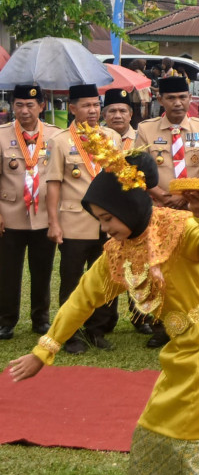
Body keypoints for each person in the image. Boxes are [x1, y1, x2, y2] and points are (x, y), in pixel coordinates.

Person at [8, 137, 199, 475]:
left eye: (108, 218)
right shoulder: (115, 254)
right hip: (183, 347)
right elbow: (80, 301)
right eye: (99, 219)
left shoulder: (178, 226)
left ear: (129, 207)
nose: (105, 227)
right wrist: (43, 351)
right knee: (158, 432)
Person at [46, 84, 123, 353]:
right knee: (72, 280)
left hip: (109, 224)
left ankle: (97, 330)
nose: (92, 110)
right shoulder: (60, 141)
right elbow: (53, 183)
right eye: (86, 105)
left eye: (95, 104)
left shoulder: (112, 137)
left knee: (107, 278)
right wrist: (53, 223)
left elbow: (119, 178)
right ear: (72, 109)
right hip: (74, 222)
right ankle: (71, 333)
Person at [0, 86, 61, 341]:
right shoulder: (2, 135)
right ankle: (6, 321)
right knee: (7, 272)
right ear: (12, 106)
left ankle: (41, 319)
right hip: (10, 213)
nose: (24, 111)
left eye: (30, 105)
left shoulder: (56, 136)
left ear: (42, 106)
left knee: (42, 270)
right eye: (19, 105)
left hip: (44, 216)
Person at [136, 75, 199, 213]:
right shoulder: (145, 129)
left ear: (190, 98)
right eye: (171, 98)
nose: (178, 103)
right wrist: (163, 197)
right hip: (159, 207)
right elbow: (138, 172)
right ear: (160, 100)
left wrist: (186, 197)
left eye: (182, 97)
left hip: (195, 206)